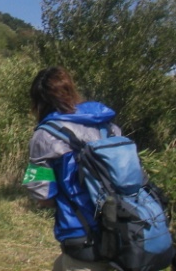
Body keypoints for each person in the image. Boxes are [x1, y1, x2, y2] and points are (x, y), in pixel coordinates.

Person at [22, 66, 121, 271]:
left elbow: (42, 194)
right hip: (124, 228)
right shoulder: (108, 126)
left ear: (38, 102)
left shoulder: (45, 135)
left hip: (82, 235)